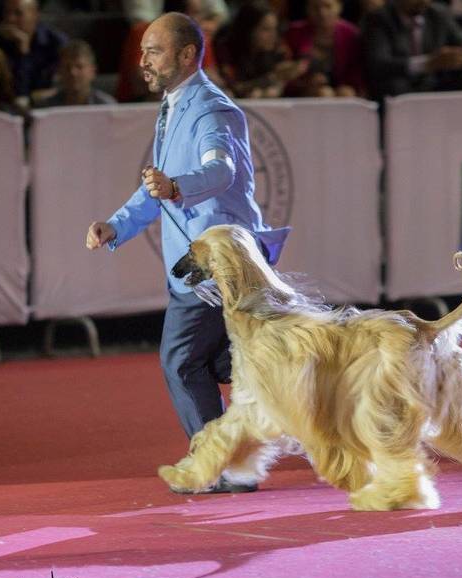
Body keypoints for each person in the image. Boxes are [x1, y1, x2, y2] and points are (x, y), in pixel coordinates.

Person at [84, 12, 289, 493]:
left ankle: (217, 464)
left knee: (181, 360)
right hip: (208, 268)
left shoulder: (212, 111)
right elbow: (155, 188)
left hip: (214, 269)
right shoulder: (174, 105)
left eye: (153, 52)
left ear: (187, 55)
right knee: (227, 363)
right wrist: (115, 226)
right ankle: (244, 450)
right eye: (142, 52)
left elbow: (221, 172)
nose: (142, 61)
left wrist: (177, 186)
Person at [360, 0, 462, 102]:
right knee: (395, 85)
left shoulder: (439, 13)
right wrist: (428, 63)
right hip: (398, 85)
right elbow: (379, 64)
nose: (423, 1)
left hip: (434, 83)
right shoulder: (379, 18)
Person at [213, 1, 306, 99]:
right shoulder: (226, 49)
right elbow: (234, 88)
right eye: (265, 29)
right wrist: (273, 78)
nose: (272, 36)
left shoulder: (278, 49)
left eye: (274, 29)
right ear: (249, 29)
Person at [0, 0, 65, 106]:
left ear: (35, 15)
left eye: (18, 13)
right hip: (8, 107)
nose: (10, 19)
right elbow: (14, 93)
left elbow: (60, 86)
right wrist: (23, 52)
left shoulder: (55, 43)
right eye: (7, 13)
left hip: (48, 106)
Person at [284, 0, 364, 97]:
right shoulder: (294, 33)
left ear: (339, 7)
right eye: (315, 7)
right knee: (323, 93)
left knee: (347, 93)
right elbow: (284, 71)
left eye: (328, 6)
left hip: (342, 88)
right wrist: (305, 83)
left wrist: (348, 87)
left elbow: (356, 71)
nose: (322, 12)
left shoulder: (351, 34)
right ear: (307, 9)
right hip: (305, 91)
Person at [33, 39, 116, 107]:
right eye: (67, 67)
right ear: (59, 72)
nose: (73, 73)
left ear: (92, 71)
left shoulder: (106, 107)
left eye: (79, 67)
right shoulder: (48, 108)